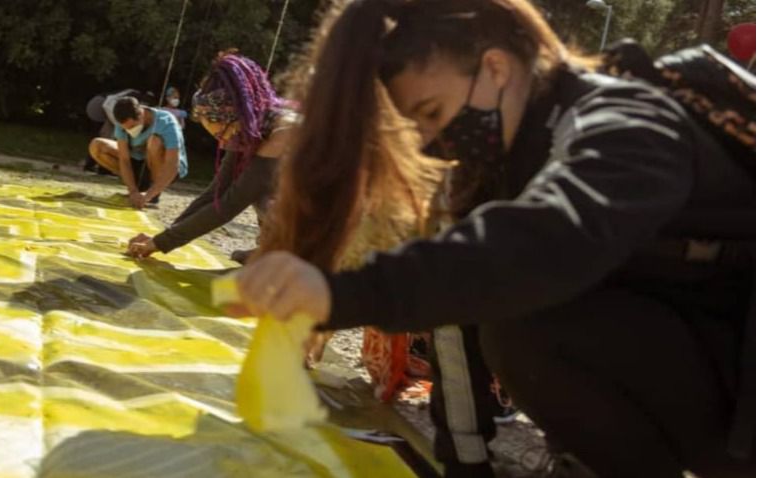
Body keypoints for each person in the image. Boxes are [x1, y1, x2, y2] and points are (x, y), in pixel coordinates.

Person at [227, 1, 755, 477]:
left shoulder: (623, 117)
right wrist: (466, 465)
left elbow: (551, 239)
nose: (433, 141)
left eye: (432, 112)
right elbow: (455, 318)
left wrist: (341, 295)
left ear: (497, 67)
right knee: (510, 313)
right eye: (419, 127)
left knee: (528, 310)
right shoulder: (494, 172)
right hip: (708, 378)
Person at [126, 51, 295, 261]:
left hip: (336, 222)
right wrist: (162, 237)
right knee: (257, 184)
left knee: (260, 191)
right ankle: (275, 249)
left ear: (238, 116)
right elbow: (215, 193)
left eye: (223, 133)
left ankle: (293, 254)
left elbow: (229, 204)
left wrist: (162, 243)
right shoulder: (246, 130)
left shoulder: (284, 133)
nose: (223, 143)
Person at [88, 96, 189, 208]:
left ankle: (153, 193)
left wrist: (149, 195)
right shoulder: (122, 122)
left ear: (141, 114)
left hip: (166, 167)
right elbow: (124, 159)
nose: (128, 130)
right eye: (125, 128)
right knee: (97, 146)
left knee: (154, 141)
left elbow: (172, 164)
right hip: (139, 161)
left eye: (132, 126)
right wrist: (133, 191)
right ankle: (138, 188)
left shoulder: (166, 121)